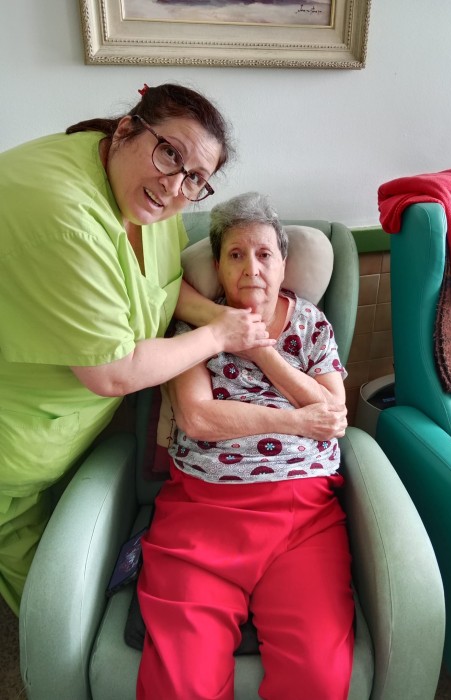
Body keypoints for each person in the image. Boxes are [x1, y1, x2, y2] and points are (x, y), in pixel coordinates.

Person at [0, 84, 273, 616]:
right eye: (169, 153)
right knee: (53, 603)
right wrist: (218, 336)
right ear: (126, 128)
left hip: (56, 433)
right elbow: (113, 372)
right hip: (16, 434)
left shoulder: (138, 191)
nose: (174, 185)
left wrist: (216, 315)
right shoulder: (67, 221)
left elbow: (159, 285)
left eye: (195, 178)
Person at [137, 192, 355, 700]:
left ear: (283, 264)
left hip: (303, 516)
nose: (251, 268)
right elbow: (197, 417)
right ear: (217, 266)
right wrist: (296, 421)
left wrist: (263, 353)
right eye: (235, 255)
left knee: (319, 680)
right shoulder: (192, 328)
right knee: (180, 685)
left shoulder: (311, 324)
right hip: (202, 514)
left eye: (264, 254)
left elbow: (334, 413)